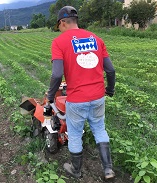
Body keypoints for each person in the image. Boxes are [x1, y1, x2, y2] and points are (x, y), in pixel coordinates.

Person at [46, 6, 116, 180]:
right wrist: (110, 89)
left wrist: (50, 96)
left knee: (75, 133)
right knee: (99, 129)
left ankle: (76, 170)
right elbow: (111, 70)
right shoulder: (97, 39)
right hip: (98, 96)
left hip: (77, 99)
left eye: (59, 26)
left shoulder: (59, 42)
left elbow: (56, 74)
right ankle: (108, 169)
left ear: (62, 22)